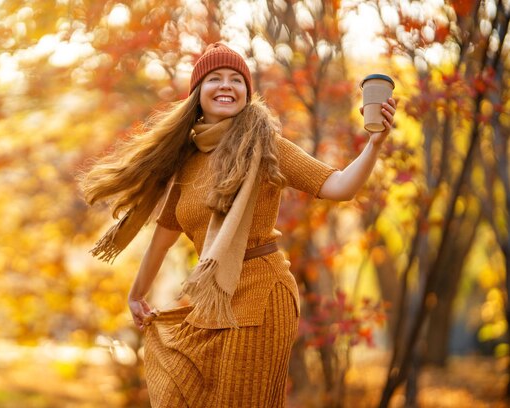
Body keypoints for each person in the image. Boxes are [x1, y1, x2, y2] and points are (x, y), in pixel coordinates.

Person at [79, 42, 396, 407]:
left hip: (262, 293)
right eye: (215, 78)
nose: (226, 85)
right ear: (198, 93)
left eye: (236, 79)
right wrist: (136, 294)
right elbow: (162, 240)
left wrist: (374, 143)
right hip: (212, 300)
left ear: (247, 92)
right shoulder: (187, 162)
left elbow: (339, 186)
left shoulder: (266, 146)